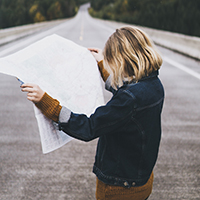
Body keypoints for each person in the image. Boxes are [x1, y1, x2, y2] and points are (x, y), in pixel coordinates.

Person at [21, 26, 164, 200]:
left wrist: (46, 101)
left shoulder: (129, 100)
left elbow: (88, 128)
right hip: (142, 180)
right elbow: (127, 96)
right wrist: (102, 66)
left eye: (113, 62)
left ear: (123, 60)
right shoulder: (154, 85)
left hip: (119, 189)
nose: (112, 66)